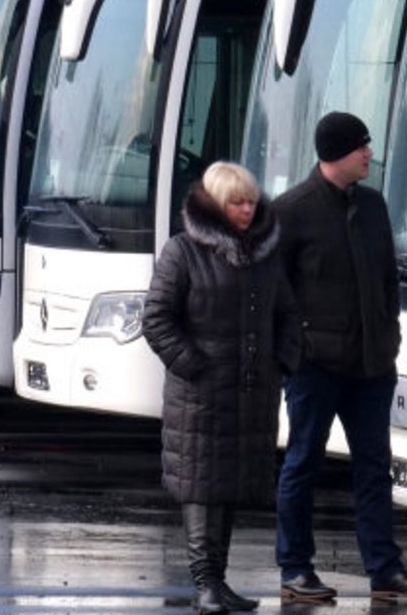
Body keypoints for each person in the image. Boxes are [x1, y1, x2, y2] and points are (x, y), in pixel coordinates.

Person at [271, 112, 407, 602]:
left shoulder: (372, 205)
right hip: (314, 367)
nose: (370, 153)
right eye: (362, 146)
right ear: (336, 154)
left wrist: (390, 337)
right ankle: (295, 569)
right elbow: (274, 292)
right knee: (303, 462)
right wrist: (295, 350)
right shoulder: (292, 211)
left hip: (372, 364)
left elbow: (388, 277)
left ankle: (385, 571)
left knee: (374, 467)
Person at [143, 162, 296, 614]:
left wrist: (284, 361)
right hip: (201, 396)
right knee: (202, 488)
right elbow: (156, 319)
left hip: (251, 392)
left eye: (251, 201)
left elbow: (287, 313)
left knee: (228, 488)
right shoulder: (182, 252)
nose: (246, 210)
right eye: (236, 202)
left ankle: (218, 581)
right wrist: (194, 366)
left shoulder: (266, 256)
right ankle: (205, 583)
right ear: (215, 205)